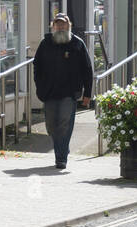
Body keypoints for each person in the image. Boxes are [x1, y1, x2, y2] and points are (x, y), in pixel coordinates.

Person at [32, 13, 93, 170]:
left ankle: (61, 158)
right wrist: (39, 86)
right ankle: (63, 148)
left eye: (63, 24)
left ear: (69, 25)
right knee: (52, 126)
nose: (60, 27)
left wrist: (87, 93)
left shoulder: (77, 44)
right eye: (57, 24)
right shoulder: (45, 43)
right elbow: (37, 66)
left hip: (69, 93)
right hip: (49, 92)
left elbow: (87, 69)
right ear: (53, 26)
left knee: (65, 124)